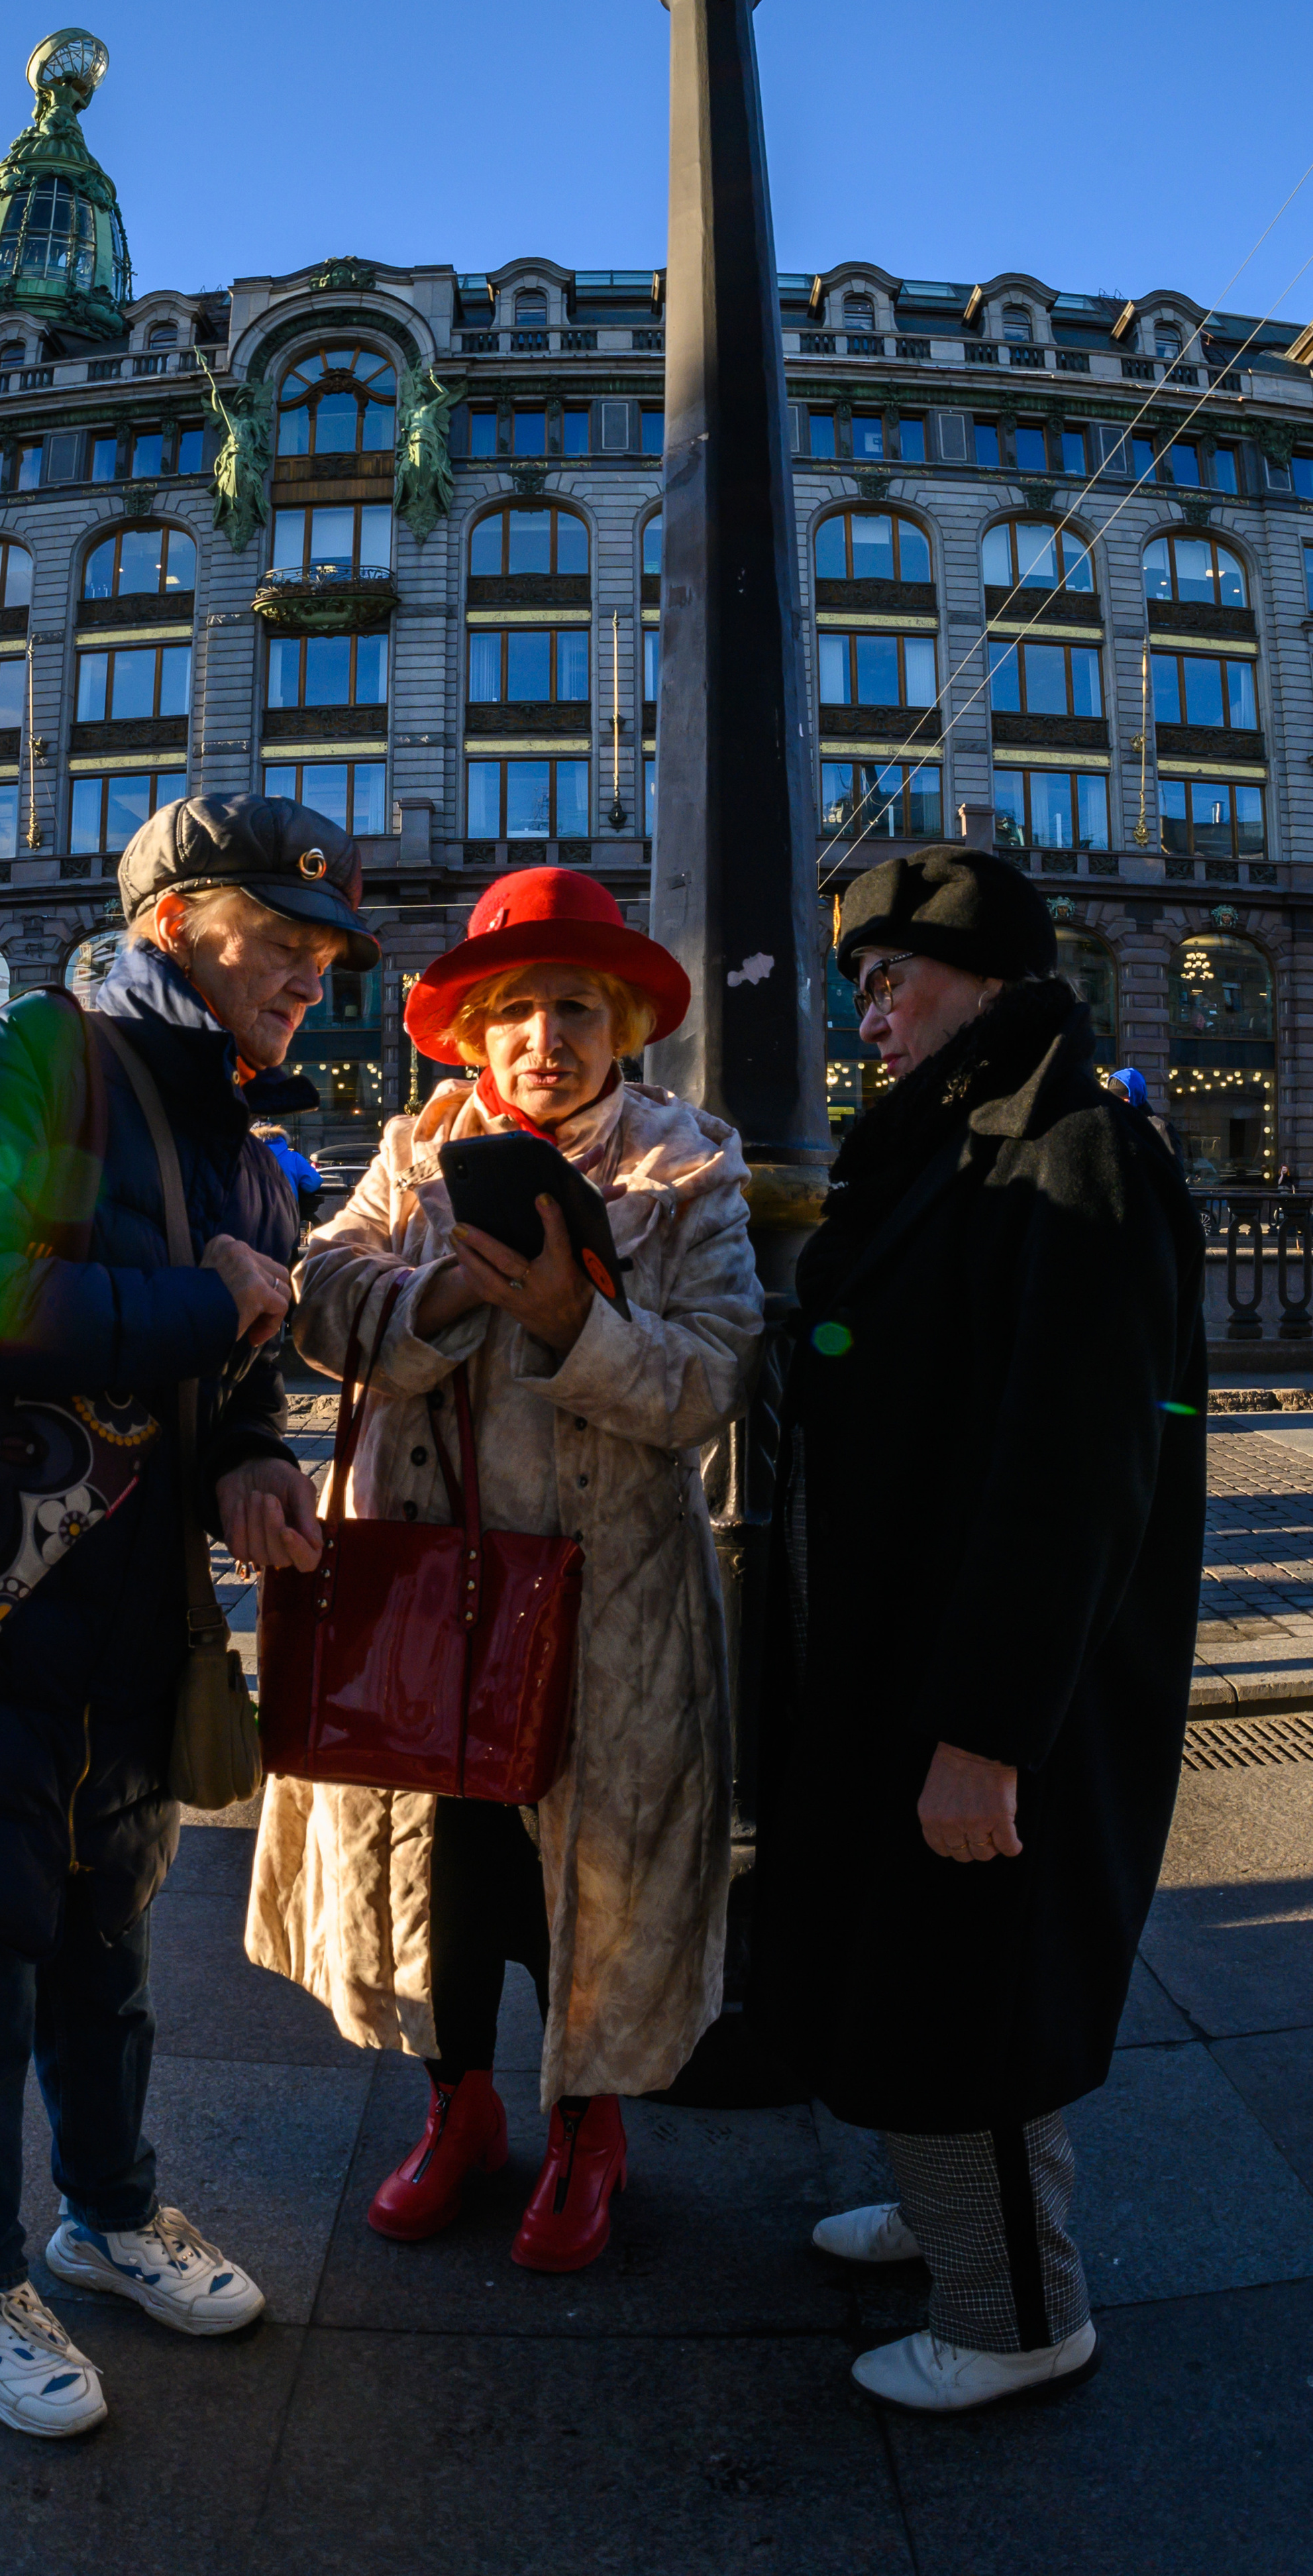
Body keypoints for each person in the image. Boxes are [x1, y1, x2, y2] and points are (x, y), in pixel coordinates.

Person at [0, 793, 374, 2440]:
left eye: (326, 958)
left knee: (104, 1964)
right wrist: (202, 1305)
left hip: (121, 1642)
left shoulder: (245, 1153)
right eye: (281, 945)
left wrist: (250, 1466)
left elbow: (228, 1384)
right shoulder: (40, 1057)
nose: (307, 982)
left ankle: (107, 2220)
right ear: (178, 927)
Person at [247, 867, 763, 2271]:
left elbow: (709, 1381)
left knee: (592, 1876)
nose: (547, 1037)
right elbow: (322, 1304)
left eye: (576, 1010)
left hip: (609, 1607)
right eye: (517, 1010)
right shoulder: (411, 1155)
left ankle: (585, 2132)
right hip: (428, 1590)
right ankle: (455, 2106)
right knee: (448, 1868)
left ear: (620, 1030)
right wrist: (454, 1292)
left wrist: (570, 1325)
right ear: (471, 1034)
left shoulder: (689, 1167)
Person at [751, 847, 1206, 2414]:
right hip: (906, 1645)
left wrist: (984, 1730)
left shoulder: (1071, 1146)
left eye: (894, 978)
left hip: (980, 1679)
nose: (866, 1010)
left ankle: (1016, 2305)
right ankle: (944, 2196)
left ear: (991, 979)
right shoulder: (960, 1141)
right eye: (857, 981)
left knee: (969, 1986)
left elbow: (1071, 1466)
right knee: (917, 1964)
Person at [1106, 1065, 1185, 1176]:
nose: (1116, 1103)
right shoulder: (1113, 1123)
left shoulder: (1159, 1127)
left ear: (1135, 1095)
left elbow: (1174, 1173)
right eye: (1113, 1098)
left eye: (1123, 1098)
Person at [254, 1120, 324, 1229]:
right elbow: (312, 1184)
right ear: (280, 1137)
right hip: (285, 1215)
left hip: (253, 1215)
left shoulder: (244, 1156)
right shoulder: (293, 1157)